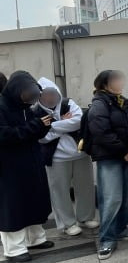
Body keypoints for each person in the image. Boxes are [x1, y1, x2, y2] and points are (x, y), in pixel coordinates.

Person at [0, 71, 56, 262]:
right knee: (13, 206)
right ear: (16, 91)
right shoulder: (2, 107)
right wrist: (36, 126)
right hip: (8, 167)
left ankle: (35, 239)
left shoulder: (26, 107)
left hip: (31, 162)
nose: (31, 98)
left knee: (34, 199)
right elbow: (5, 135)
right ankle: (14, 249)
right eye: (27, 94)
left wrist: (44, 124)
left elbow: (36, 131)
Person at [32, 78, 98, 236]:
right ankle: (67, 223)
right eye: (45, 95)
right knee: (59, 191)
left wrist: (52, 125)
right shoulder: (35, 112)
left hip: (80, 153)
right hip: (55, 158)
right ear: (39, 96)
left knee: (86, 186)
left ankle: (86, 217)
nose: (49, 98)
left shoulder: (68, 103)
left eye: (52, 94)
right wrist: (63, 122)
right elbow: (42, 137)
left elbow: (78, 122)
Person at [87, 70, 128, 260]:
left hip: (126, 155)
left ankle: (120, 229)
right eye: (116, 80)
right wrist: (123, 151)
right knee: (112, 198)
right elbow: (100, 132)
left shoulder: (121, 102)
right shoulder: (100, 104)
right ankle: (107, 238)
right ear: (104, 84)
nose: (121, 83)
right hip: (110, 157)